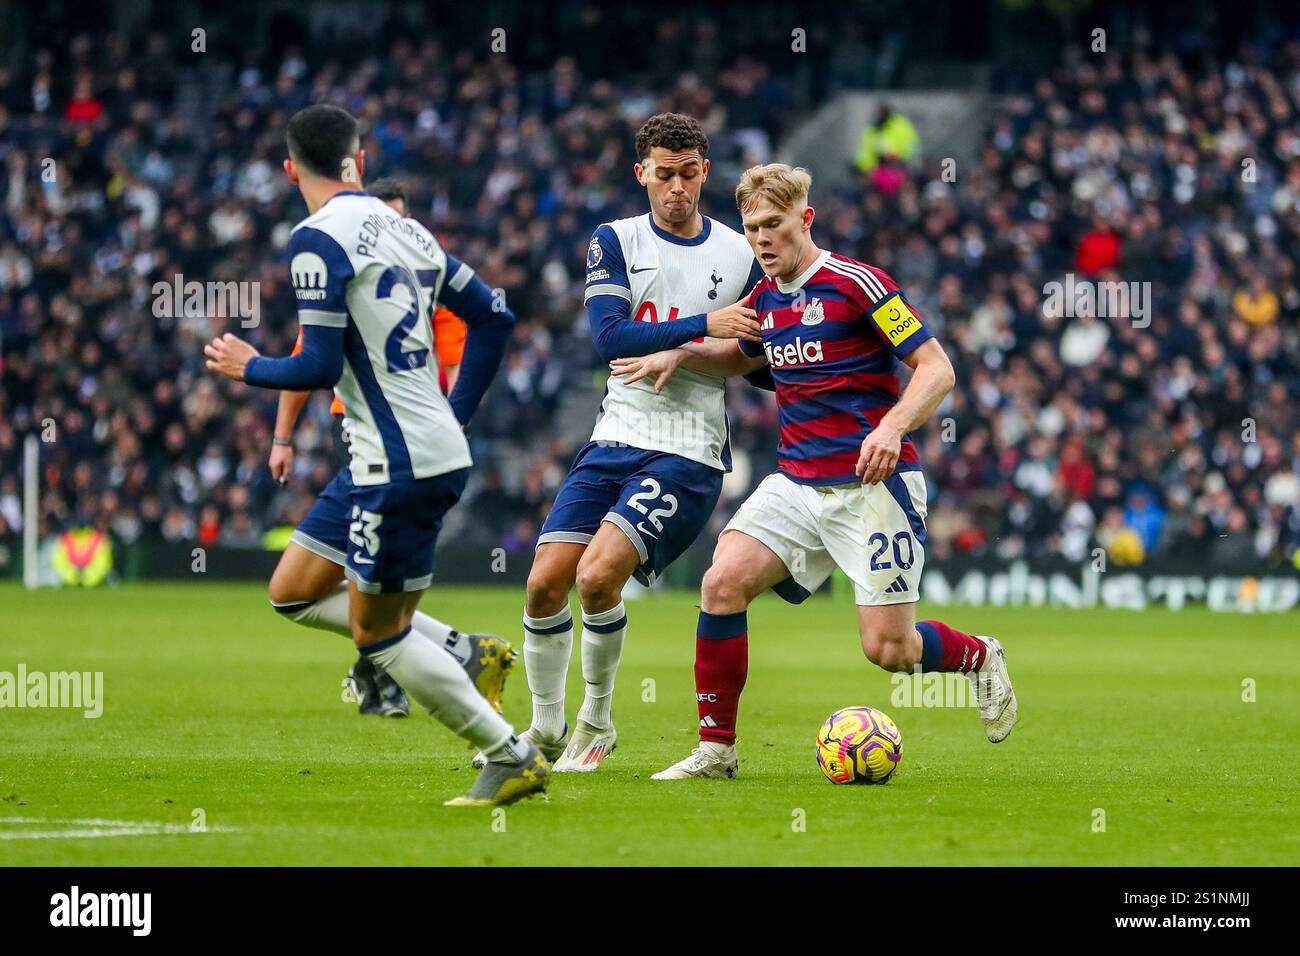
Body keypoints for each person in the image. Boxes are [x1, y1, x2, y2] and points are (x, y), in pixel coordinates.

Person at [620, 163, 1018, 780]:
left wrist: (890, 428)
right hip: (796, 482)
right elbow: (738, 355)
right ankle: (715, 752)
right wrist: (680, 352)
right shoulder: (765, 298)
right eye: (751, 229)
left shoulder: (857, 283)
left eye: (774, 225)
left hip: (872, 487)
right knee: (721, 584)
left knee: (888, 650)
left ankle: (979, 656)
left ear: (805, 219)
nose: (761, 240)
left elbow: (937, 368)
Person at [204, 104, 546, 806]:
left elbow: (317, 362)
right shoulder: (408, 230)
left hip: (397, 465)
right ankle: (462, 651)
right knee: (294, 592)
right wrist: (455, 415)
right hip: (397, 454)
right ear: (358, 158)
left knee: (377, 635)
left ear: (289, 168)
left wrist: (250, 366)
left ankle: (507, 754)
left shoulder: (315, 240)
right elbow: (495, 316)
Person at [507, 112, 766, 773]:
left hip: (688, 448)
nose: (676, 187)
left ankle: (595, 720)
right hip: (614, 435)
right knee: (543, 585)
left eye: (688, 174)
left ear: (705, 172)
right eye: (663, 174)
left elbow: (761, 362)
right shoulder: (614, 240)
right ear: (641, 175)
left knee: (596, 578)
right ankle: (544, 725)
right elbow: (611, 337)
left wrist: (718, 348)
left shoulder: (740, 254)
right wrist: (704, 326)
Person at [268, 176, 508, 720]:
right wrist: (282, 437)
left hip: (408, 441)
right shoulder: (346, 274)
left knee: (364, 569)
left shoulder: (425, 282)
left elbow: (457, 355)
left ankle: (384, 660)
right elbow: (308, 360)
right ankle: (389, 657)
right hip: (354, 428)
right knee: (355, 566)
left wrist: (450, 420)